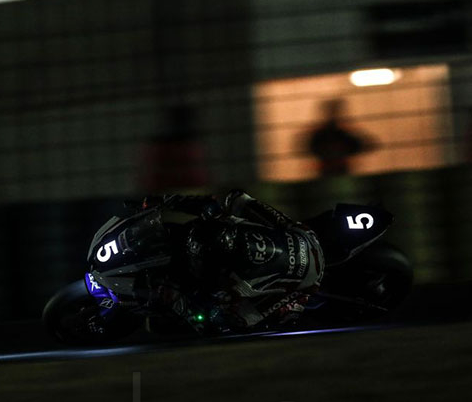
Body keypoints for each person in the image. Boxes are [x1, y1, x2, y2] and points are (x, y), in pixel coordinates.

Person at [145, 190, 324, 330]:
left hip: (308, 280)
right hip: (305, 238)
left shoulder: (239, 284)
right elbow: (213, 204)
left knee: (241, 321)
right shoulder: (229, 221)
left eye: (199, 261)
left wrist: (179, 303)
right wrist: (165, 200)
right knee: (238, 200)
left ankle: (294, 306)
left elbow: (215, 320)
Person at [307, 99, 374, 177]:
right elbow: (365, 144)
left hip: (332, 171)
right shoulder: (344, 133)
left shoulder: (321, 134)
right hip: (337, 171)